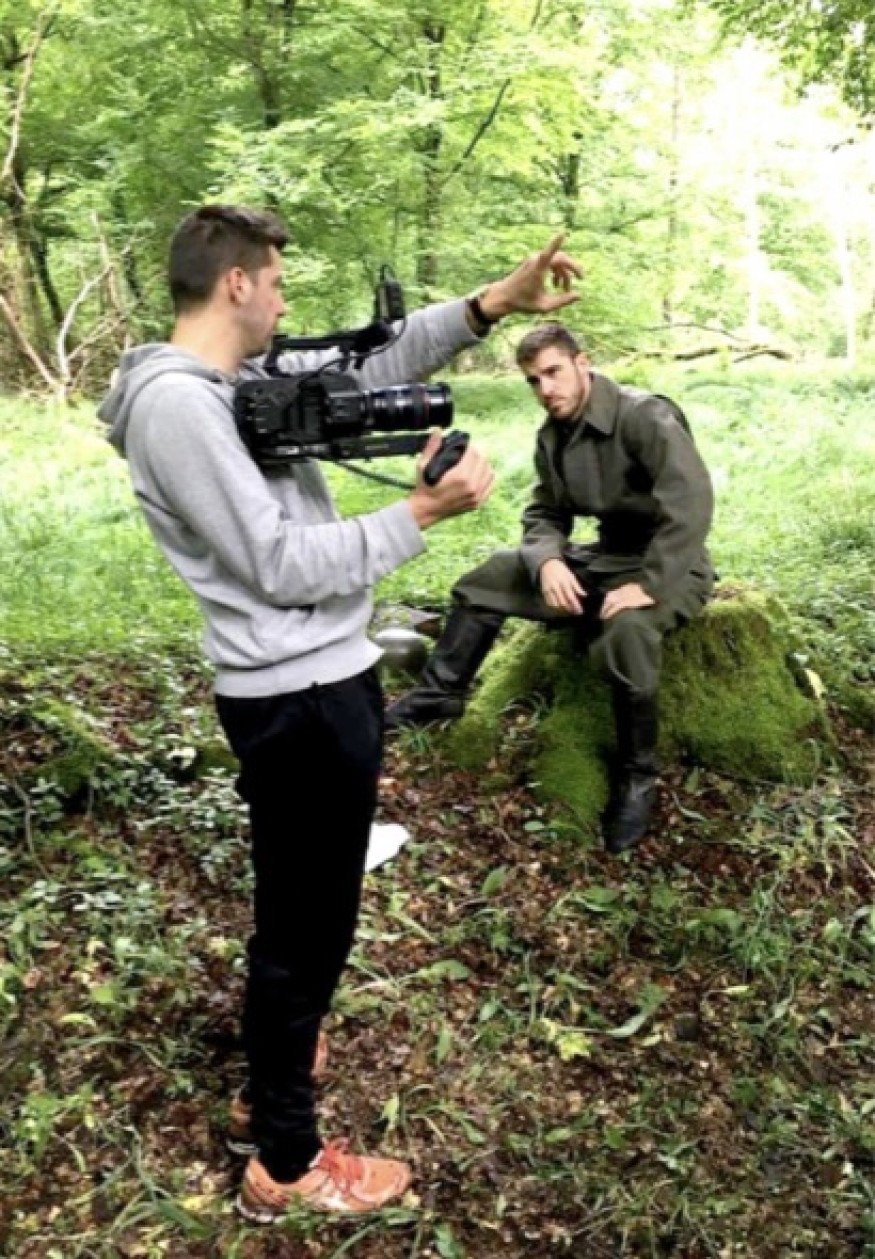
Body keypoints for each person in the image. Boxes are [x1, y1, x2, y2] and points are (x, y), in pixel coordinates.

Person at [98, 207, 582, 1223]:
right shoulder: (177, 406)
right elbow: (277, 564)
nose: (283, 299)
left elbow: (369, 365)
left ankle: (269, 1081)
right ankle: (284, 1158)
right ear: (235, 282)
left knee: (310, 918)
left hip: (320, 682)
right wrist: (418, 515)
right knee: (304, 927)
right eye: (274, 280)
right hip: (295, 697)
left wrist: (493, 302)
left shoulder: (234, 382)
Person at [386, 322, 714, 855]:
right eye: (534, 381)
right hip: (604, 557)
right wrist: (548, 562)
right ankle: (439, 694)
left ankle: (638, 774)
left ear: (582, 364)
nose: (546, 389)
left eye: (554, 372)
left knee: (627, 633)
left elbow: (692, 503)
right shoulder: (554, 434)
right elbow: (545, 511)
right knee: (488, 578)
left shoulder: (643, 415)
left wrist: (650, 584)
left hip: (670, 565)